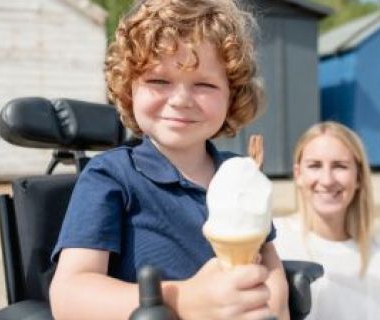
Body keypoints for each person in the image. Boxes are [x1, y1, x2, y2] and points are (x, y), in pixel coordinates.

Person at [49, 0, 289, 319]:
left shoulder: (240, 175)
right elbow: (69, 296)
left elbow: (270, 268)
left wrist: (274, 310)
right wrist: (183, 300)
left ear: (232, 95)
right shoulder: (110, 175)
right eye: (159, 81)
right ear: (128, 88)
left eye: (204, 84)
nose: (180, 100)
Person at [273, 121, 380, 320]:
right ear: (298, 174)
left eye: (340, 166)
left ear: (359, 176)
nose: (327, 180)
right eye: (315, 165)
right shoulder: (273, 242)